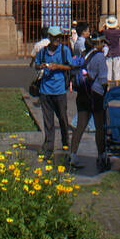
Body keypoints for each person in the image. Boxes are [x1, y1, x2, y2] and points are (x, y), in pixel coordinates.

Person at [69, 34, 109, 172]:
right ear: (97, 44)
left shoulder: (84, 54)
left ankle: (73, 154)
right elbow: (103, 79)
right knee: (99, 126)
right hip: (95, 95)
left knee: (80, 126)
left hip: (82, 94)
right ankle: (101, 155)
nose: (104, 45)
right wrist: (103, 93)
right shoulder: (99, 57)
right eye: (103, 43)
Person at [33, 25, 74, 160]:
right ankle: (49, 145)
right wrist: (42, 66)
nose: (57, 40)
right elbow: (36, 64)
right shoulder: (43, 51)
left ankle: (65, 141)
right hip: (45, 89)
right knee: (48, 120)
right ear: (49, 38)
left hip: (59, 89)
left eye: (59, 37)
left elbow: (70, 66)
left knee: (62, 117)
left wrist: (58, 66)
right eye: (55, 37)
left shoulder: (64, 50)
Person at [100, 16, 120, 85]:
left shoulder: (106, 32)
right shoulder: (117, 32)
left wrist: (104, 25)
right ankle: (117, 85)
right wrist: (118, 25)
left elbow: (100, 31)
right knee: (117, 70)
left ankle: (108, 86)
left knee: (108, 70)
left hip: (108, 53)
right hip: (116, 52)